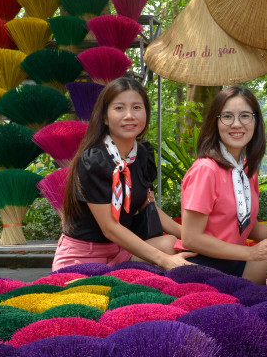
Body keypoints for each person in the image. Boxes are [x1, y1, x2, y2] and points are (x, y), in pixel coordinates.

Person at [53, 78, 192, 271]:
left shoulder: (142, 153)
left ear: (146, 113)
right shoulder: (94, 160)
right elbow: (109, 228)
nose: (129, 115)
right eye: (119, 108)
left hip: (122, 252)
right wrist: (164, 260)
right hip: (84, 256)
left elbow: (147, 204)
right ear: (105, 117)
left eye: (136, 108)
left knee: (171, 243)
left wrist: (191, 237)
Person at [178, 86, 267, 283]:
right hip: (202, 266)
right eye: (227, 116)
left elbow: (247, 227)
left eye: (245, 116)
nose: (236, 124)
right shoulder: (206, 170)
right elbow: (191, 238)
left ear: (255, 121)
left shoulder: (247, 171)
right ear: (215, 123)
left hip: (235, 262)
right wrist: (249, 253)